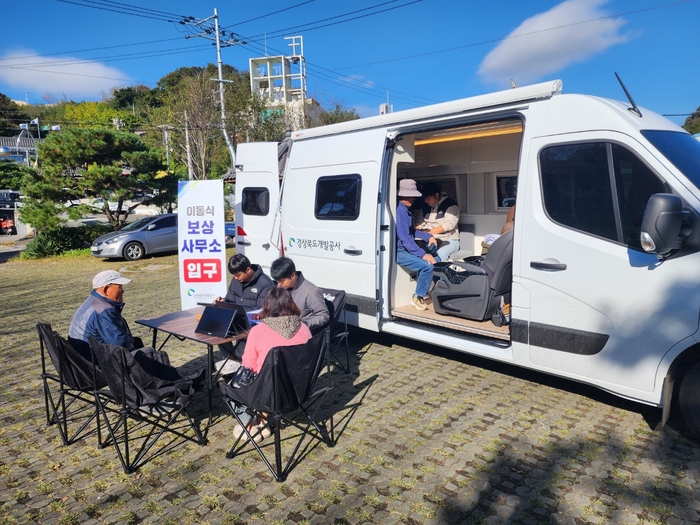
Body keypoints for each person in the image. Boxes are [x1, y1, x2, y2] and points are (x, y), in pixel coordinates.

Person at [231, 287, 312, 441]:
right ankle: (263, 423)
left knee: (235, 385)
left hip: (267, 393)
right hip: (297, 390)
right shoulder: (304, 329)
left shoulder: (257, 332)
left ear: (266, 306)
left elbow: (248, 366)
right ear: (291, 304)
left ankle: (249, 428)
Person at [214, 254, 275, 375]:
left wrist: (238, 309)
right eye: (234, 275)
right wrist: (223, 302)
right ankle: (231, 358)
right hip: (236, 318)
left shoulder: (265, 284)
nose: (236, 278)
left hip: (254, 323)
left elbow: (260, 310)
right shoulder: (236, 280)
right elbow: (230, 298)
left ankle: (240, 363)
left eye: (238, 275)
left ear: (248, 269)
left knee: (243, 354)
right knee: (216, 327)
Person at [68, 270, 144, 360]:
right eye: (119, 287)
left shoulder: (93, 300)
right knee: (151, 354)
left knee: (137, 342)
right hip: (93, 362)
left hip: (83, 356)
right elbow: (120, 345)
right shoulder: (104, 311)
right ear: (106, 289)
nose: (123, 291)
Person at [396, 179, 438, 311]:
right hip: (398, 251)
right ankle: (417, 297)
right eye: (411, 196)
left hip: (403, 249)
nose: (413, 199)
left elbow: (411, 232)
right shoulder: (400, 211)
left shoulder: (404, 209)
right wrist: (423, 254)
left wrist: (428, 236)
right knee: (427, 266)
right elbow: (405, 238)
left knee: (430, 261)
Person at [270, 257, 329, 334]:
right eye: (277, 281)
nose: (279, 284)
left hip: (301, 333)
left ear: (293, 275)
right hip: (282, 328)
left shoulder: (311, 291)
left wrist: (303, 324)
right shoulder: (280, 287)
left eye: (281, 280)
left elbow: (323, 316)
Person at [418, 181, 460, 261]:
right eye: (425, 199)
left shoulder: (451, 205)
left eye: (428, 199)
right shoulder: (425, 207)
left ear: (436, 195)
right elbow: (420, 223)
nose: (426, 201)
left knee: (440, 253)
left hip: (449, 239)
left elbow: (449, 225)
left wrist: (429, 232)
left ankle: (435, 270)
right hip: (429, 239)